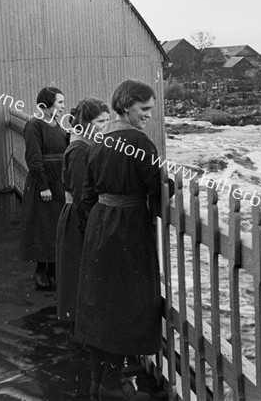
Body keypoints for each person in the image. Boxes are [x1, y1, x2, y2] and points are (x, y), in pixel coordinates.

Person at [76, 79, 169, 401]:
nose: (148, 116)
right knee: (124, 303)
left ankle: (99, 381)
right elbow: (158, 187)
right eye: (144, 109)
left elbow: (86, 193)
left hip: (102, 225)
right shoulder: (139, 143)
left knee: (101, 303)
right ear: (126, 105)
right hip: (127, 228)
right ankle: (112, 387)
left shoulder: (100, 139)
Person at [56, 98, 110, 328]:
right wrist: (91, 225)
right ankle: (82, 325)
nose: (106, 126)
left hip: (81, 213)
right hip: (79, 217)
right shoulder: (79, 149)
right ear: (86, 123)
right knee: (80, 271)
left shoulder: (87, 143)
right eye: (100, 121)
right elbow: (81, 194)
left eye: (108, 120)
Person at [19, 86, 68, 290]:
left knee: (56, 225)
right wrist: (43, 186)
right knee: (43, 226)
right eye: (60, 103)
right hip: (45, 182)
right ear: (46, 104)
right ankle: (41, 270)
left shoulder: (57, 123)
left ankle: (53, 269)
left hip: (59, 180)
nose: (63, 107)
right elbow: (33, 158)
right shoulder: (34, 125)